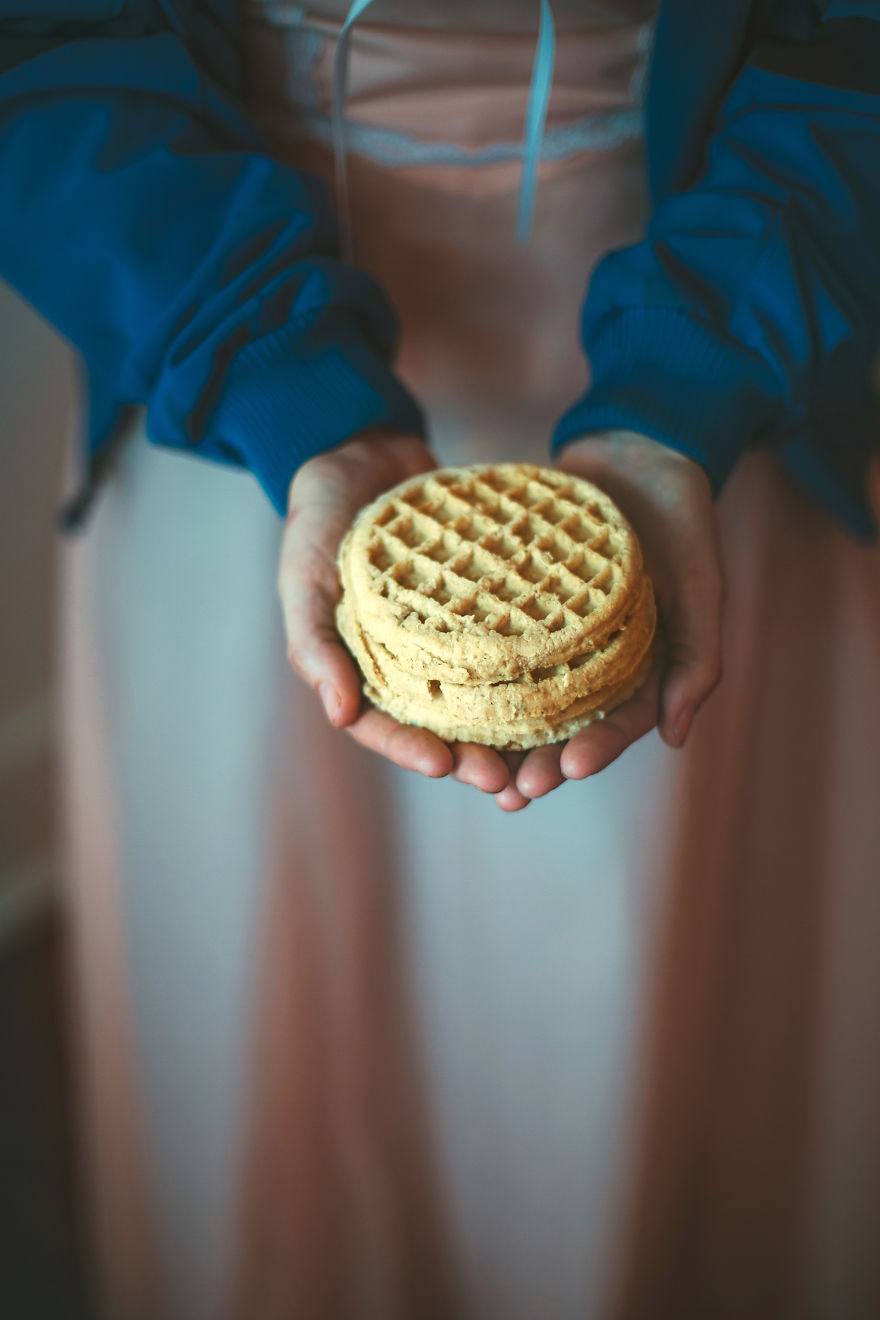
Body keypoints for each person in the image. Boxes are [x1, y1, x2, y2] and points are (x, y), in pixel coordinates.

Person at [2, 2, 880, 1318]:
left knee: (654, 1008)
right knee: (266, 1006)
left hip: (735, 320)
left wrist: (687, 391)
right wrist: (280, 390)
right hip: (211, 345)